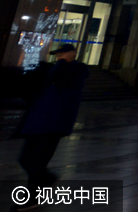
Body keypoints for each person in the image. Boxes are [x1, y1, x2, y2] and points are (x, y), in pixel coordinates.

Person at [16, 44, 89, 199]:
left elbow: (60, 78)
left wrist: (62, 63)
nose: (59, 57)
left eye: (63, 53)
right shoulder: (54, 70)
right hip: (36, 123)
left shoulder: (78, 70)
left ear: (73, 53)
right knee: (24, 159)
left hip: (54, 124)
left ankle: (33, 198)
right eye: (57, 54)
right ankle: (48, 180)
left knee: (37, 163)